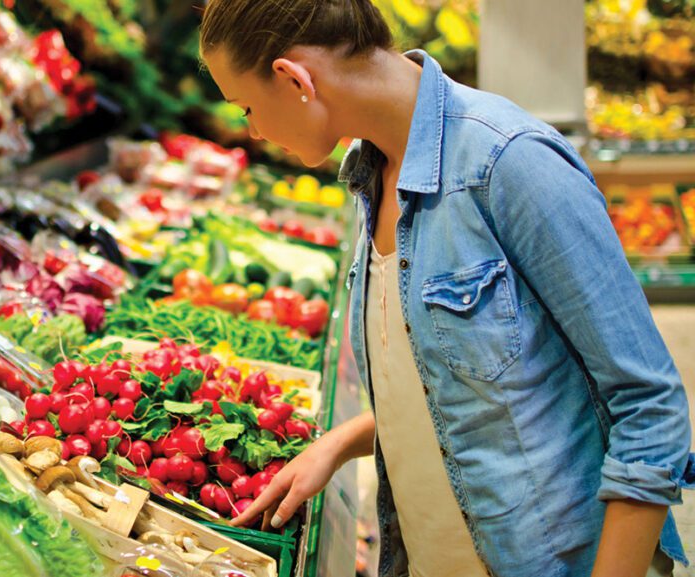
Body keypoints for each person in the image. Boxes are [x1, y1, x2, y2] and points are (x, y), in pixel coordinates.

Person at [199, 1, 694, 576]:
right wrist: (338, 443)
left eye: (247, 108)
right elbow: (465, 380)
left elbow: (649, 407)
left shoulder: (509, 163)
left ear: (294, 79)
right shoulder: (371, 170)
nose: (253, 131)